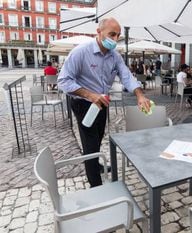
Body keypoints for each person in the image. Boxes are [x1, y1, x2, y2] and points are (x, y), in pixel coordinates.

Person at [57, 17, 151, 187]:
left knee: (98, 137)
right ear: (99, 32)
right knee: (90, 143)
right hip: (83, 103)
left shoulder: (115, 56)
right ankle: (96, 186)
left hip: (102, 102)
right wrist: (89, 95)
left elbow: (126, 76)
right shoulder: (81, 52)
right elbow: (63, 81)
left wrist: (139, 94)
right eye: (112, 34)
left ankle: (96, 164)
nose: (115, 39)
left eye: (118, 36)